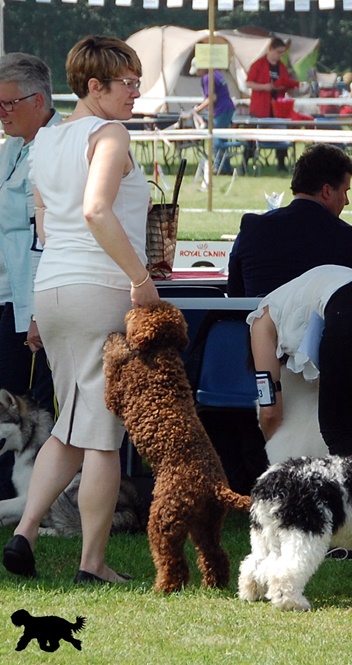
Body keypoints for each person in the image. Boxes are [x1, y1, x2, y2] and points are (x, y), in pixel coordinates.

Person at [1, 35, 158, 585]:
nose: (135, 93)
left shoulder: (45, 141)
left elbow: (46, 228)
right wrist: (141, 279)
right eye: (128, 83)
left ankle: (25, 533)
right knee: (102, 436)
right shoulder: (109, 133)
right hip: (101, 287)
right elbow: (96, 210)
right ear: (95, 86)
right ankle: (92, 562)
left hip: (53, 289)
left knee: (70, 425)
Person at [248, 265, 352, 457]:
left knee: (338, 433)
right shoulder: (298, 295)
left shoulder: (260, 321)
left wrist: (274, 442)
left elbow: (270, 411)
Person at [227, 144, 352, 297]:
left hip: (258, 312)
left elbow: (234, 297)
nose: (346, 201)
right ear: (326, 191)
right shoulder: (351, 239)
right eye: (345, 192)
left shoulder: (252, 228)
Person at [0, 53, 59, 404]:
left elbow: (45, 240)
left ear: (37, 101)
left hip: (26, 305)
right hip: (8, 298)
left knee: (19, 412)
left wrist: (38, 312)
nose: (1, 112)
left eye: (8, 103)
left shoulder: (56, 148)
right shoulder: (11, 147)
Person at [245, 37, 298, 172]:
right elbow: (248, 83)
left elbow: (286, 83)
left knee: (281, 135)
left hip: (278, 109)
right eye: (278, 52)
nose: (280, 55)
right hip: (260, 108)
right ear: (270, 49)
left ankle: (281, 163)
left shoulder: (282, 67)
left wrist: (288, 87)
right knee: (252, 137)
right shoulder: (258, 64)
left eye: (282, 53)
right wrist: (264, 87)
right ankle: (244, 163)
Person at [187, 64, 236, 175]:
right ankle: (225, 167)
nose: (197, 74)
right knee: (221, 139)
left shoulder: (207, 78)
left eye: (197, 70)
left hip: (220, 111)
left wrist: (197, 109)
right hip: (227, 109)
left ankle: (218, 167)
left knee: (216, 139)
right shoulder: (216, 73)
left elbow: (212, 98)